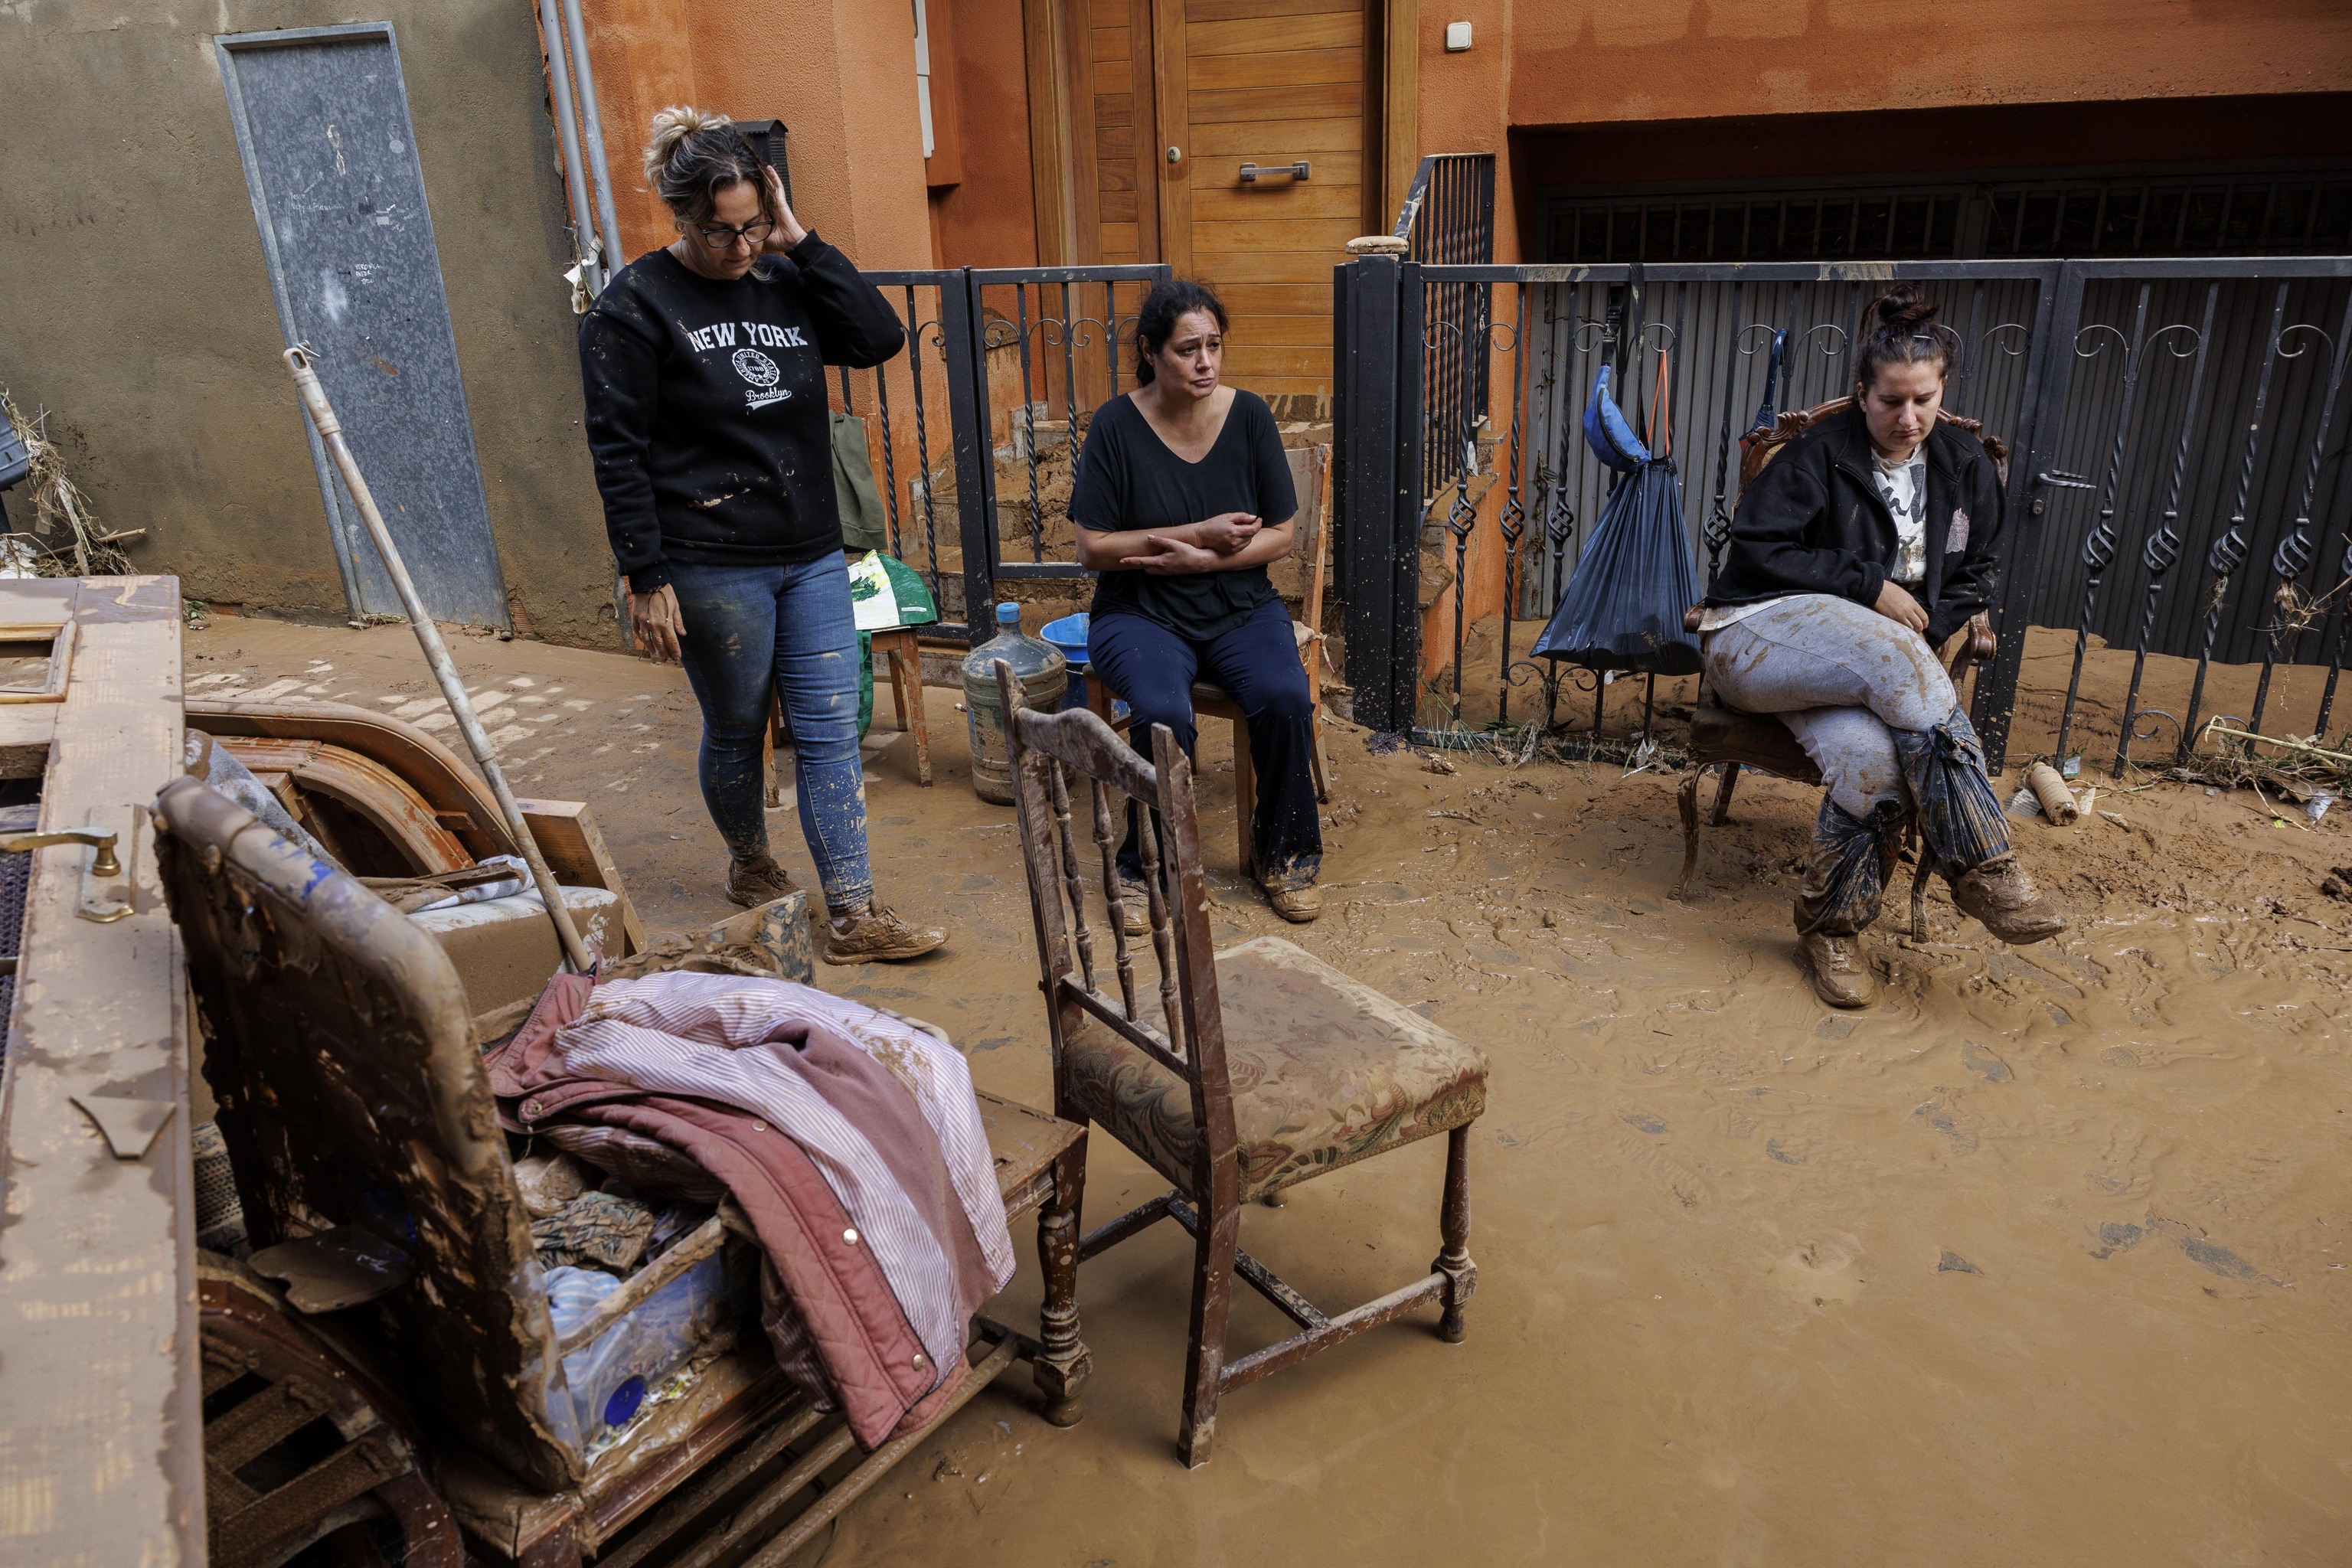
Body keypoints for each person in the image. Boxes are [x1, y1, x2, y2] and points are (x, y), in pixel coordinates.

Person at [577, 106, 943, 965]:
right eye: (718, 232)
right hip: (710, 565)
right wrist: (644, 575)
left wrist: (801, 241)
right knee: (741, 727)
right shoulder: (633, 309)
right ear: (677, 217)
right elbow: (617, 451)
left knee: (828, 729)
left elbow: (881, 336)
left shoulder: (781, 277)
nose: (739, 248)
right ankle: (750, 861)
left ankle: (853, 912)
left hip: (811, 550)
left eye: (750, 226)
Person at [1697, 283, 2065, 1008]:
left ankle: (1829, 930)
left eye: (1924, 399)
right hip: (1761, 638)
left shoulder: (1962, 466)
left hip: (1879, 668)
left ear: (1943, 388)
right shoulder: (1814, 456)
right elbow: (1754, 551)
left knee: (1875, 765)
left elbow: (1978, 572)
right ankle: (1986, 868)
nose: (1909, 418)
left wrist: (1922, 616)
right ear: (1862, 392)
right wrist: (1869, 587)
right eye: (1892, 401)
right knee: (1898, 658)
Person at [1070, 279, 1322, 924]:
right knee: (1160, 711)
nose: (1205, 361)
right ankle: (1142, 866)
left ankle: (1286, 857)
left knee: (1287, 697)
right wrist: (1193, 535)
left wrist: (1209, 559)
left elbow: (1282, 534)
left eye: (1213, 345)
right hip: (1140, 613)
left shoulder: (1249, 417)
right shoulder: (1115, 426)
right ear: (1151, 352)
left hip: (1239, 604)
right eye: (1188, 349)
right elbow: (1093, 548)